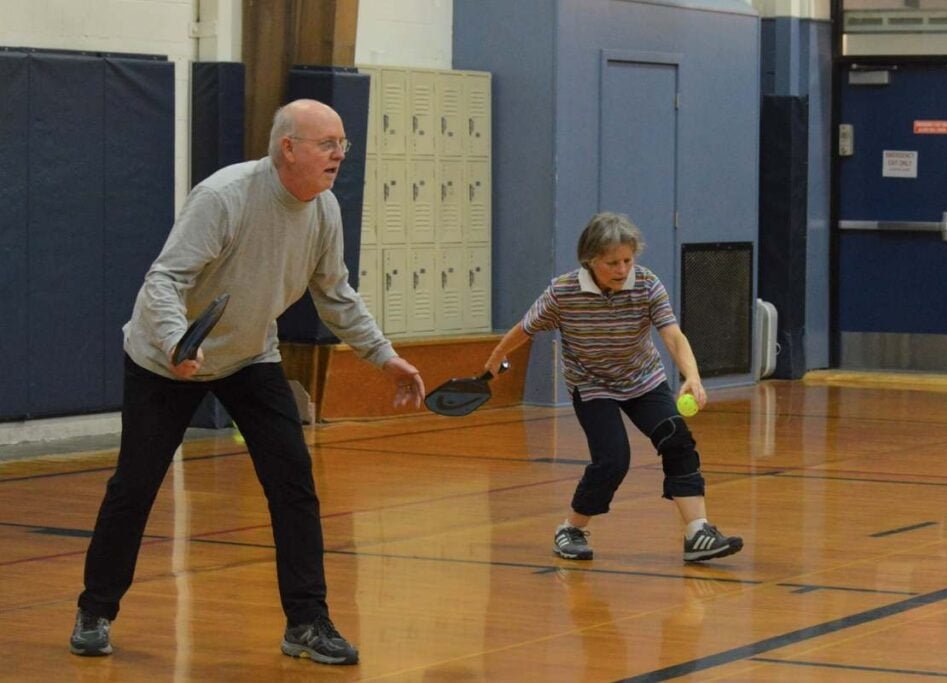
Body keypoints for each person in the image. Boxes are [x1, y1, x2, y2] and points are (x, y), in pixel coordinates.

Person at [69, 99, 425, 666]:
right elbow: (164, 280)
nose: (339, 155)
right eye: (327, 144)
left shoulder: (324, 209)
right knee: (134, 488)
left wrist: (384, 357)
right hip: (166, 358)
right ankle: (96, 609)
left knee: (294, 484)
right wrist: (171, 343)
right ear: (289, 147)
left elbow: (334, 293)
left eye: (342, 145)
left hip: (250, 355)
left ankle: (307, 623)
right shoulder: (224, 197)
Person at [484, 212, 742, 564]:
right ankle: (571, 529)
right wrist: (497, 356)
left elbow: (672, 334)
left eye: (627, 260)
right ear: (590, 260)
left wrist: (692, 376)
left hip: (643, 378)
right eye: (612, 263)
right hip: (592, 386)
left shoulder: (647, 284)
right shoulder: (563, 292)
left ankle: (697, 531)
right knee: (613, 459)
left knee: (676, 439)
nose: (622, 270)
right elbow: (526, 328)